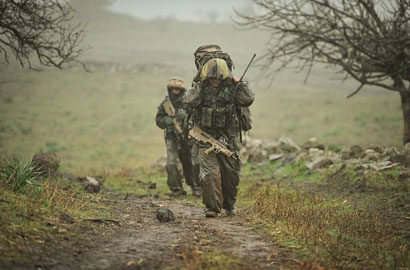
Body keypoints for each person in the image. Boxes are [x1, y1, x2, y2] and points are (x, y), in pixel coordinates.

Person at [183, 58, 254, 217]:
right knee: (210, 174)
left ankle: (229, 205)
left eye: (217, 78)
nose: (215, 81)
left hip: (227, 139)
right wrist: (198, 85)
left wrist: (239, 84)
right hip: (204, 138)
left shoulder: (232, 88)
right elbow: (187, 100)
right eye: (211, 78)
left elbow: (248, 99)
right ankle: (212, 208)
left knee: (230, 174)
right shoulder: (201, 88)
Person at [155, 78, 200, 196]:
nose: (175, 91)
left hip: (187, 137)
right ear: (169, 89)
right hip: (172, 137)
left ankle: (196, 187)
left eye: (178, 89)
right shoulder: (165, 104)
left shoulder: (188, 102)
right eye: (173, 89)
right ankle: (176, 189)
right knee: (171, 162)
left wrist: (185, 118)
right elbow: (158, 119)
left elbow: (196, 117)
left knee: (191, 163)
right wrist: (166, 120)